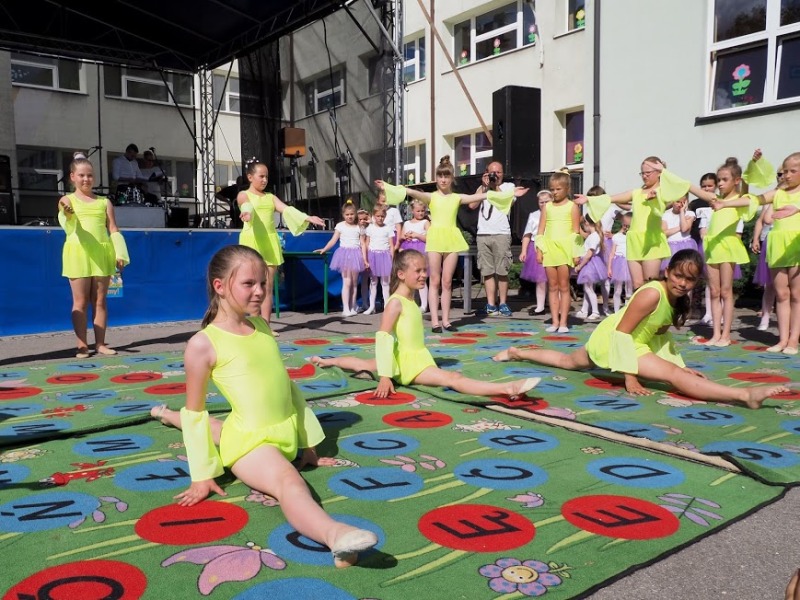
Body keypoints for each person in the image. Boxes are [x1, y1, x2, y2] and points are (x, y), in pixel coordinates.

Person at [149, 245, 378, 568]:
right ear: (219, 286)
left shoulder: (261, 327)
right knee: (289, 482)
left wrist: (307, 444)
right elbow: (196, 412)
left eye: (263, 284)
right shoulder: (203, 344)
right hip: (252, 446)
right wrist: (201, 475)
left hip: (281, 433)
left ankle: (163, 413)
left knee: (220, 429)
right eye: (249, 284)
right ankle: (335, 535)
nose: (259, 291)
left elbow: (287, 390)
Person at [493, 249, 788, 408]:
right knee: (569, 362)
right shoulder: (651, 293)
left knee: (567, 361)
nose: (682, 283)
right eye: (678, 275)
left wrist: (680, 365)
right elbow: (622, 332)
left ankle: (517, 351)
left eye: (689, 280)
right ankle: (744, 396)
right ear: (667, 272)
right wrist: (630, 377)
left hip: (633, 342)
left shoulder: (676, 299)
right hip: (614, 338)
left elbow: (660, 338)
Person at [309, 250, 540, 399]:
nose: (423, 275)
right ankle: (506, 389)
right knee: (453, 379)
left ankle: (328, 361)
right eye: (418, 271)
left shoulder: (411, 299)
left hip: (413, 357)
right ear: (401, 274)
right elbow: (383, 337)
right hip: (408, 363)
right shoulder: (395, 303)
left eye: (424, 270)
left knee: (363, 364)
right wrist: (386, 376)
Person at [375, 156, 527, 332]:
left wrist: (511, 193)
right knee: (435, 280)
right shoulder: (431, 197)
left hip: (452, 239)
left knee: (447, 282)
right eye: (440, 176)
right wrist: (387, 187)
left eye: (446, 176)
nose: (443, 180)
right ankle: (435, 321)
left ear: (451, 178)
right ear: (437, 178)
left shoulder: (457, 197)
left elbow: (484, 195)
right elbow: (409, 191)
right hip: (435, 238)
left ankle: (446, 321)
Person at [575, 157, 692, 290]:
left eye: (648, 173)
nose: (644, 176)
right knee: (637, 285)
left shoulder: (663, 191)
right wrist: (589, 199)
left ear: (659, 172)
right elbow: (611, 198)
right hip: (634, 241)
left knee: (650, 285)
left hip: (651, 241)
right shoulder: (636, 193)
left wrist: (657, 194)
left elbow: (678, 188)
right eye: (642, 173)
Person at [724, 151, 800, 354]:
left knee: (796, 295)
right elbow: (755, 200)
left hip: (796, 245)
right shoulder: (777, 193)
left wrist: (797, 209)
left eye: (793, 171)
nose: (787, 175)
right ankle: (782, 339)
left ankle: (793, 339)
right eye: (785, 171)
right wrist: (726, 203)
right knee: (781, 294)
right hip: (778, 245)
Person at [58, 152, 130, 358]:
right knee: (80, 302)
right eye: (81, 175)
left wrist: (120, 253)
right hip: (77, 253)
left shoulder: (104, 202)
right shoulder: (66, 200)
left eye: (89, 175)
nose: (86, 179)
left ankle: (100, 344)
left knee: (100, 301)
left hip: (102, 253)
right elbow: (67, 221)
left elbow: (113, 228)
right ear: (72, 177)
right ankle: (82, 344)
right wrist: (67, 212)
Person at [237, 158, 325, 326]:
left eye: (266, 177)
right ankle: (253, 324)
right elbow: (246, 205)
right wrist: (247, 213)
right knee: (252, 285)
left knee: (267, 286)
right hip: (252, 241)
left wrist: (307, 217)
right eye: (261, 176)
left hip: (269, 242)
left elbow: (286, 209)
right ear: (250, 177)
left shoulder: (270, 197)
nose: (265, 180)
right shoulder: (244, 194)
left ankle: (265, 326)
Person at [691, 155, 760, 346]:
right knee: (714, 291)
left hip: (728, 247)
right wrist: (665, 173)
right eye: (718, 180)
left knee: (726, 291)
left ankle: (726, 335)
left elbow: (748, 196)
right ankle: (716, 334)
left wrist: (753, 164)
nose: (720, 183)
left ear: (736, 181)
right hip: (713, 246)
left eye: (724, 180)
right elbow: (695, 190)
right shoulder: (716, 199)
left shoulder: (740, 199)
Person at [469, 160, 517, 317]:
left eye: (498, 172)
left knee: (502, 271)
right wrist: (484, 188)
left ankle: (502, 303)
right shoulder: (483, 188)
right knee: (487, 271)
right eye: (492, 172)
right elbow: (472, 205)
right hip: (483, 233)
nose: (495, 175)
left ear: (503, 174)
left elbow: (507, 201)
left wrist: (494, 186)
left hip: (501, 233)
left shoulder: (508, 187)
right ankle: (491, 304)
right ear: (486, 173)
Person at [537, 170, 581, 333]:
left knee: (564, 286)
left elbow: (576, 232)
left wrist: (576, 253)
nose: (554, 192)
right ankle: (554, 321)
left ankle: (563, 322)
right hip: (549, 249)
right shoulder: (547, 207)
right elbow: (540, 230)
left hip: (565, 250)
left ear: (567, 189)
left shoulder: (572, 207)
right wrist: (539, 250)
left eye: (558, 189)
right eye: (552, 189)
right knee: (552, 286)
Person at [314, 200, 364, 317]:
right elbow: (333, 240)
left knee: (354, 283)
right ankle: (346, 308)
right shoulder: (340, 226)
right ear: (343, 215)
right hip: (345, 255)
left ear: (355, 214)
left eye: (352, 214)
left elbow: (362, 243)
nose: (350, 216)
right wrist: (324, 249)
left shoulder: (359, 227)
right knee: (347, 282)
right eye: (347, 214)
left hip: (356, 255)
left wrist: (365, 258)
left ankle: (353, 306)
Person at [520, 190, 551, 316]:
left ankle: (554, 304)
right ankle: (540, 306)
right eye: (541, 202)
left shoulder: (556, 213)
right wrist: (523, 251)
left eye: (546, 201)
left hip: (552, 247)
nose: (544, 204)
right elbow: (527, 234)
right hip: (536, 247)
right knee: (540, 279)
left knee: (554, 279)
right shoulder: (533, 215)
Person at [361, 205, 395, 315]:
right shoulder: (370, 228)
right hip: (373, 256)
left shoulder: (388, 228)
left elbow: (391, 245)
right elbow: (367, 243)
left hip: (384, 256)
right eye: (378, 216)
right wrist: (366, 259)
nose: (380, 218)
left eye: (382, 216)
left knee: (385, 283)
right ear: (374, 216)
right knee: (373, 282)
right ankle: (372, 306)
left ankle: (386, 306)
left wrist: (392, 259)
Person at [574, 214, 607, 321]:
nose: (583, 227)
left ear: (587, 223)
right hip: (590, 264)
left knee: (588, 289)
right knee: (587, 288)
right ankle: (584, 310)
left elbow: (589, 254)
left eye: (583, 224)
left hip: (590, 264)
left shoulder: (594, 236)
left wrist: (580, 266)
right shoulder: (593, 235)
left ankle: (595, 311)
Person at [399, 199, 430, 312]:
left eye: (422, 211)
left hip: (421, 250)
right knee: (409, 277)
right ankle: (410, 302)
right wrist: (406, 237)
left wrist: (417, 235)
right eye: (418, 211)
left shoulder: (425, 222)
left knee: (421, 277)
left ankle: (424, 304)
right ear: (412, 211)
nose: (421, 213)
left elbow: (429, 237)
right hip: (408, 249)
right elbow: (401, 236)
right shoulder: (407, 223)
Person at [752, 197, 776, 332]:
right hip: (770, 242)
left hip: (788, 243)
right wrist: (756, 239)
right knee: (769, 284)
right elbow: (763, 220)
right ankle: (765, 316)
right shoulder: (770, 203)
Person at [660, 195, 697, 275]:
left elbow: (684, 229)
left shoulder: (689, 213)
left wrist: (682, 212)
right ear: (673, 201)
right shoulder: (666, 214)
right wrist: (679, 227)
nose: (680, 205)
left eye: (683, 202)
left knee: (686, 269)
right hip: (671, 246)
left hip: (686, 244)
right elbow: (664, 233)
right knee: (672, 269)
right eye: (678, 202)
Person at [607, 212, 633, 313]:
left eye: (628, 226)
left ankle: (627, 311)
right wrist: (609, 268)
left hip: (630, 262)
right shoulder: (617, 237)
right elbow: (612, 253)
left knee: (629, 289)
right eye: (625, 225)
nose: (626, 227)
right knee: (617, 289)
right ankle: (616, 312)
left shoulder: (632, 236)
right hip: (619, 263)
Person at [356, 208, 372, 313]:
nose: (362, 221)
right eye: (360, 219)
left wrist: (370, 220)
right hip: (358, 255)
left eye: (364, 219)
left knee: (368, 280)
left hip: (370, 254)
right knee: (358, 281)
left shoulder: (370, 228)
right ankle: (357, 303)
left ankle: (366, 303)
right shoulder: (356, 228)